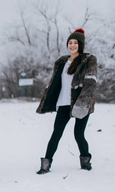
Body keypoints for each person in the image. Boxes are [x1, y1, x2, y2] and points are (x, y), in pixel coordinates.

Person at [36, 28, 97, 174]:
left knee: (78, 134)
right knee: (56, 133)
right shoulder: (62, 62)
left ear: (80, 45)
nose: (72, 45)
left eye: (76, 42)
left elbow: (90, 83)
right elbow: (54, 83)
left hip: (81, 103)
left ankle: (85, 161)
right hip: (64, 103)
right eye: (70, 42)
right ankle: (45, 164)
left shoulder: (88, 60)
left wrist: (82, 104)